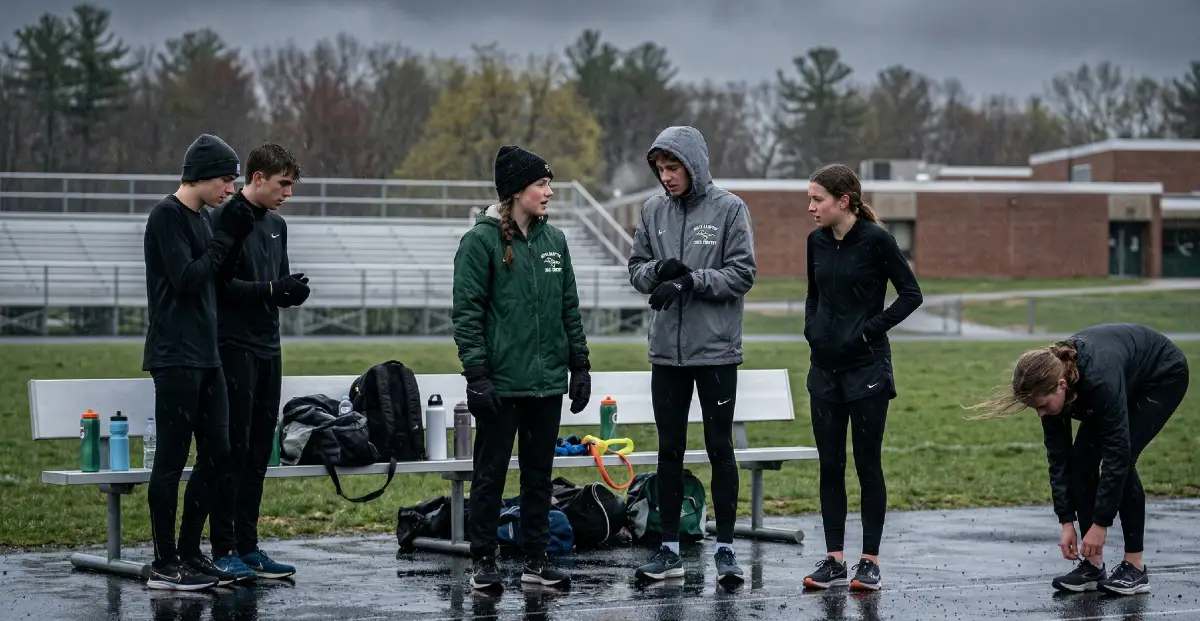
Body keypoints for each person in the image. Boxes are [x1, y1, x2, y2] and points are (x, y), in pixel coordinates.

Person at [452, 145, 592, 591]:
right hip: (500, 384)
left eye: (549, 183)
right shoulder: (480, 241)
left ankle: (536, 560)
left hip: (547, 382)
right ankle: (484, 561)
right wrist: (476, 375)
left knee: (539, 476)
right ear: (516, 191)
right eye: (541, 184)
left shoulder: (556, 241)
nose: (549, 192)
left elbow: (569, 308)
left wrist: (580, 365)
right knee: (489, 475)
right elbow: (467, 313)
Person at [969, 323, 1189, 596]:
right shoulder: (1051, 387)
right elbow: (1059, 458)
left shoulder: (1099, 382)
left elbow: (1116, 456)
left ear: (1062, 385)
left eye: (1041, 406)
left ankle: (1136, 567)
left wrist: (1100, 525)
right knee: (1081, 460)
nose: (1039, 414)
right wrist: (1066, 522)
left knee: (1124, 458)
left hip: (1160, 376)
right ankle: (1092, 566)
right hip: (1120, 377)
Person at [627, 125, 757, 586]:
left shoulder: (730, 209)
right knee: (669, 451)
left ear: (694, 165)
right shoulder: (651, 210)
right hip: (666, 355)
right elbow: (636, 268)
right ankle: (668, 551)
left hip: (717, 353)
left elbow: (742, 274)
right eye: (660, 169)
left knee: (721, 449)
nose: (666, 177)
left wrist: (690, 281)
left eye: (673, 167)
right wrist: (658, 271)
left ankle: (724, 550)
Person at [800, 163, 923, 592]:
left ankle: (869, 561)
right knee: (830, 466)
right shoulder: (815, 241)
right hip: (824, 373)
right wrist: (811, 328)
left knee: (867, 465)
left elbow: (912, 295)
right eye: (810, 199)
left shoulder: (877, 241)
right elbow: (813, 295)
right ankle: (834, 560)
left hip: (867, 371)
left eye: (818, 199)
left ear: (844, 201)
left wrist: (870, 329)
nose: (811, 207)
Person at [141, 133, 256, 591]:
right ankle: (164, 562)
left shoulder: (205, 222)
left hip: (208, 355)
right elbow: (188, 279)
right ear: (202, 176)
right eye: (226, 181)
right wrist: (223, 238)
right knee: (170, 460)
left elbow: (215, 277)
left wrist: (236, 239)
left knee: (218, 454)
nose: (230, 190)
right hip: (174, 356)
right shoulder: (165, 217)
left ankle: (191, 552)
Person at [208, 142, 309, 582]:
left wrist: (289, 291)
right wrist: (271, 290)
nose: (287, 192)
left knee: (257, 455)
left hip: (271, 347)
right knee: (231, 451)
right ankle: (222, 547)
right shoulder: (226, 219)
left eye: (291, 184)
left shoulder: (278, 226)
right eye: (282, 183)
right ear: (257, 178)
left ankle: (248, 548)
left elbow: (274, 284)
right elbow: (221, 287)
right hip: (233, 347)